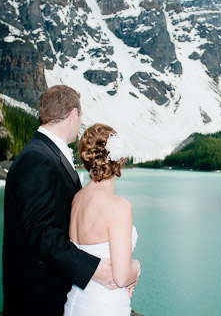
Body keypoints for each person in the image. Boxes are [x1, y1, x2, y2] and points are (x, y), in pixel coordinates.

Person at [2, 85, 116, 315]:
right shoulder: (38, 158)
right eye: (81, 116)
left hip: (48, 293)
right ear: (74, 114)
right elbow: (39, 230)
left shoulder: (44, 152)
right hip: (37, 299)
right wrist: (92, 268)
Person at [64, 123, 140, 316]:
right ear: (118, 159)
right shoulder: (118, 206)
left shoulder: (77, 199)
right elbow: (122, 278)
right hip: (104, 307)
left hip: (75, 303)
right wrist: (136, 268)